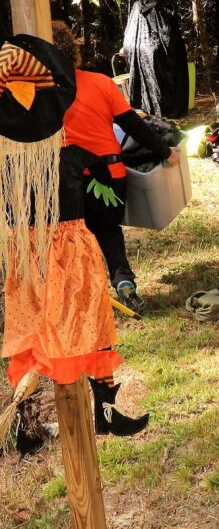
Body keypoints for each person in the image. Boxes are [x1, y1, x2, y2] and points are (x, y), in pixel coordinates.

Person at [51, 21, 180, 312]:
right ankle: (123, 279)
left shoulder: (43, 94)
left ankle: (79, 296)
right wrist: (165, 152)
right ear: (73, 52)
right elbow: (134, 125)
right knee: (108, 230)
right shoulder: (100, 82)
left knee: (72, 236)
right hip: (111, 176)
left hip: (70, 181)